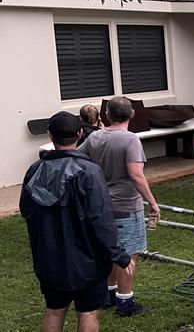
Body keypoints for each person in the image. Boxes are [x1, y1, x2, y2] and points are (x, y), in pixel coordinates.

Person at [20, 111, 134, 332]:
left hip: (49, 260)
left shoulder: (34, 171)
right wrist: (118, 254)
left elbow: (27, 211)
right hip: (87, 262)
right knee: (89, 312)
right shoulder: (89, 172)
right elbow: (101, 219)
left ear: (50, 135)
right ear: (80, 134)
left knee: (54, 309)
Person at [78, 97, 161, 317]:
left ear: (106, 115)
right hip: (126, 207)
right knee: (128, 254)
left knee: (110, 251)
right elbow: (136, 175)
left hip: (101, 206)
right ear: (132, 115)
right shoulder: (130, 139)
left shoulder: (95, 136)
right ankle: (125, 303)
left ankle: (109, 294)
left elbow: (78, 159)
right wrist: (152, 202)